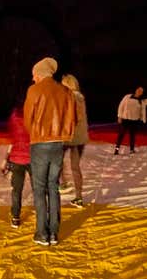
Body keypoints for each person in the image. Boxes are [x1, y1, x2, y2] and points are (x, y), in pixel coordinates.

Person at [23, 57, 76, 246]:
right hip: (58, 145)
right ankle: (54, 232)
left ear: (39, 74)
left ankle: (41, 233)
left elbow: (27, 119)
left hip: (40, 144)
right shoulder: (66, 92)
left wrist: (36, 134)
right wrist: (63, 136)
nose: (33, 79)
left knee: (39, 189)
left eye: (34, 76)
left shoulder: (34, 90)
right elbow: (72, 119)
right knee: (53, 187)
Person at [1, 97, 31, 228]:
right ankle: (44, 215)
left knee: (16, 189)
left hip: (17, 158)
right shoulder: (34, 114)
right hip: (32, 157)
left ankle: (15, 216)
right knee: (39, 188)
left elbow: (12, 139)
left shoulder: (14, 116)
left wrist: (6, 157)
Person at [60, 74, 89, 208]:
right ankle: (78, 196)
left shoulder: (72, 96)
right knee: (74, 167)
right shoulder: (80, 96)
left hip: (70, 137)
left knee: (58, 160)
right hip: (79, 137)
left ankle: (63, 184)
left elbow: (77, 116)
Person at [114, 86, 147, 154]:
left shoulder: (142, 101)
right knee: (121, 135)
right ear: (136, 90)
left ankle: (131, 150)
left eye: (141, 91)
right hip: (125, 119)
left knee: (132, 136)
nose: (139, 91)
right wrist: (119, 116)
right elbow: (121, 106)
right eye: (139, 90)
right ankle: (116, 149)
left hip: (134, 121)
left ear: (142, 93)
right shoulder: (127, 97)